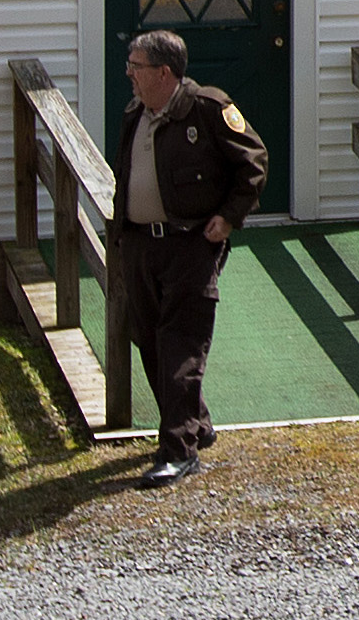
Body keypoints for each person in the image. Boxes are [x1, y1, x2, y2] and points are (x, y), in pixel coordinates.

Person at [107, 28, 272, 486]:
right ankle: (195, 422)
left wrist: (228, 218)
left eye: (136, 67)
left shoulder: (208, 108)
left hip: (190, 246)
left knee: (180, 345)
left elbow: (253, 163)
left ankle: (179, 451)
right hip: (141, 244)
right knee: (149, 339)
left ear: (164, 72)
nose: (128, 75)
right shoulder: (134, 113)